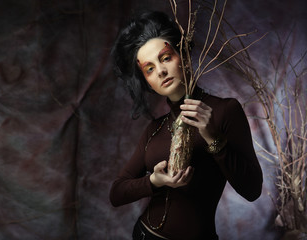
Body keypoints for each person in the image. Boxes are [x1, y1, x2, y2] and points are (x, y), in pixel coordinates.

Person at [109, 11, 263, 240]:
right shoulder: (155, 129)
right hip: (144, 234)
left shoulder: (224, 111)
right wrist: (154, 181)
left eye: (165, 58)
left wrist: (213, 139)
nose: (160, 71)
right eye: (149, 69)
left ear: (182, 54)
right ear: (148, 83)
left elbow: (252, 190)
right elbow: (116, 193)